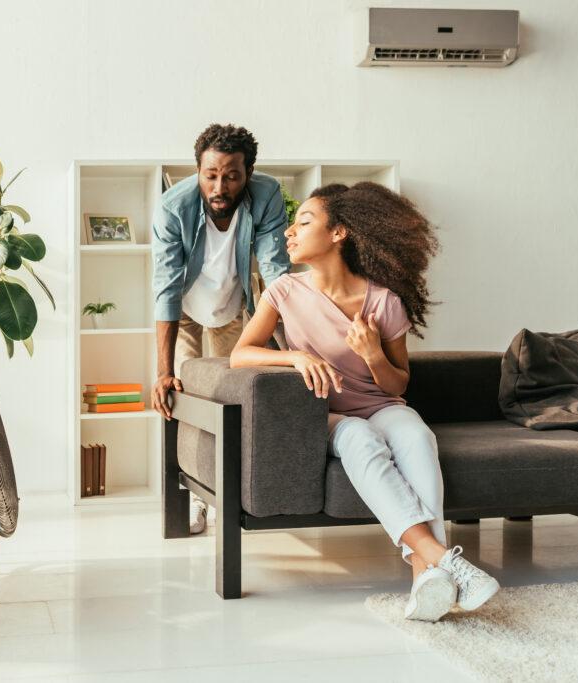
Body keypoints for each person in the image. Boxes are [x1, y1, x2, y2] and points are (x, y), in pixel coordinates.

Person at [229, 182, 499, 622]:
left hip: (380, 405)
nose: (288, 233)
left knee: (416, 436)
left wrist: (372, 353)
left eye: (304, 222)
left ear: (340, 233)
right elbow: (240, 354)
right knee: (359, 439)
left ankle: (423, 579)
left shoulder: (384, 301)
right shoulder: (283, 292)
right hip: (331, 415)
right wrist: (296, 356)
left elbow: (397, 385)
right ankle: (444, 559)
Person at [151, 123, 290, 534]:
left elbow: (276, 274)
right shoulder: (172, 208)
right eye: (210, 174)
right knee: (187, 397)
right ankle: (194, 498)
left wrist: (292, 348)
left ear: (248, 173)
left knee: (226, 398)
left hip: (233, 308)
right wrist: (162, 371)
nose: (219, 186)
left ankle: (226, 490)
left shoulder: (266, 197)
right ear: (198, 170)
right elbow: (165, 288)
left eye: (231, 175)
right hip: (184, 310)